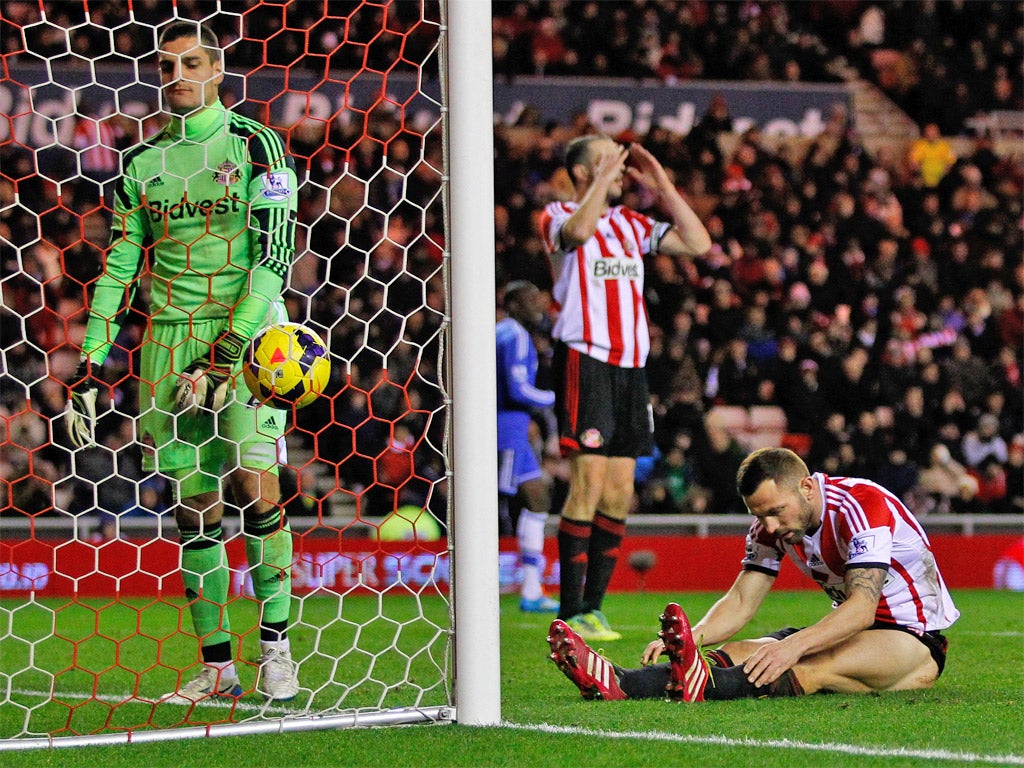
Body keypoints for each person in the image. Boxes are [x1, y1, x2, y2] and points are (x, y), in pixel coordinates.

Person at [62, 21, 300, 704]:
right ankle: (218, 665)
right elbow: (120, 267)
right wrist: (91, 364)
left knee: (258, 487)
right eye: (164, 66)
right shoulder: (142, 164)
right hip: (167, 343)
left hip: (251, 340)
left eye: (189, 63)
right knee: (194, 510)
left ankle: (275, 652)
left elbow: (273, 256)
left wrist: (229, 354)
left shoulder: (257, 143)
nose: (174, 76)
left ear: (218, 71)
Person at [547, 447, 959, 702]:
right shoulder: (771, 524)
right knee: (745, 650)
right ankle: (619, 681)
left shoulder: (862, 505)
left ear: (806, 487)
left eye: (776, 511)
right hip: (853, 629)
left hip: (911, 640)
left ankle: (704, 688)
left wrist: (792, 646)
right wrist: (694, 640)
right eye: (760, 515)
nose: (771, 526)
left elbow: (861, 608)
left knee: (806, 664)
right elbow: (743, 599)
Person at [539, 134, 711, 640]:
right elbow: (578, 229)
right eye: (612, 163)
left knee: (618, 491)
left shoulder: (632, 226)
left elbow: (698, 244)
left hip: (630, 368)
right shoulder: (556, 214)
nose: (622, 172)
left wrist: (662, 186)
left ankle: (593, 608)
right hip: (585, 360)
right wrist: (597, 181)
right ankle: (569, 614)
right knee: (587, 484)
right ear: (586, 171)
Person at [496, 281, 559, 612]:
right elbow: (519, 389)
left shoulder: (502, 333)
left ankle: (532, 591)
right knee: (498, 507)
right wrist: (555, 397)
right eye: (532, 300)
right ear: (515, 304)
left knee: (537, 498)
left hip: (512, 432)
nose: (539, 305)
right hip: (505, 432)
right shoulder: (515, 335)